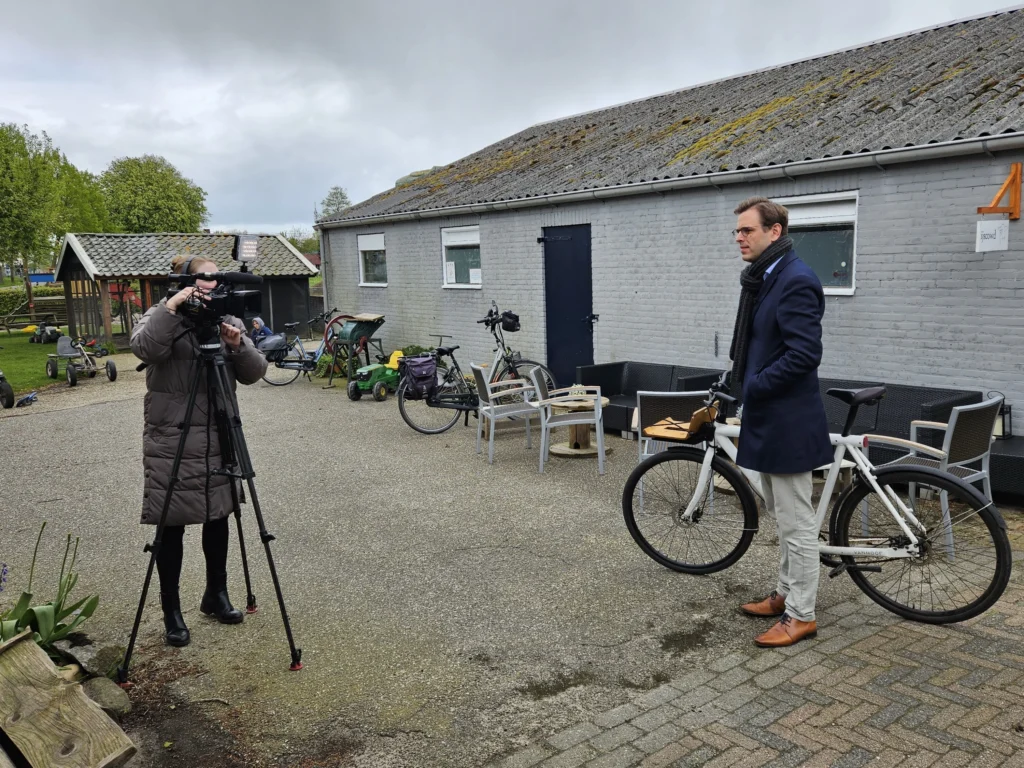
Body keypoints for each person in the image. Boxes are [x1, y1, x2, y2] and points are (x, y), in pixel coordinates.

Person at [130, 255, 268, 647]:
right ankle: (171, 610)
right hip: (173, 437)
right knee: (170, 523)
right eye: (203, 281)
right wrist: (172, 309)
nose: (211, 287)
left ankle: (216, 594)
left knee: (218, 515)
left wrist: (237, 345)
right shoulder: (162, 314)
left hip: (219, 433)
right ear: (185, 284)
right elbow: (143, 348)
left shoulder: (228, 318)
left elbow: (255, 373)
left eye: (215, 281)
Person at [729, 196, 832, 648]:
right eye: (737, 231)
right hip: (768, 417)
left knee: (797, 523)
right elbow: (761, 347)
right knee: (783, 515)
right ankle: (786, 594)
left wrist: (754, 386)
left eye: (747, 230)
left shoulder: (796, 280)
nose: (739, 237)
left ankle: (801, 615)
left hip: (787, 422)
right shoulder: (764, 280)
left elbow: (805, 355)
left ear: (775, 232)